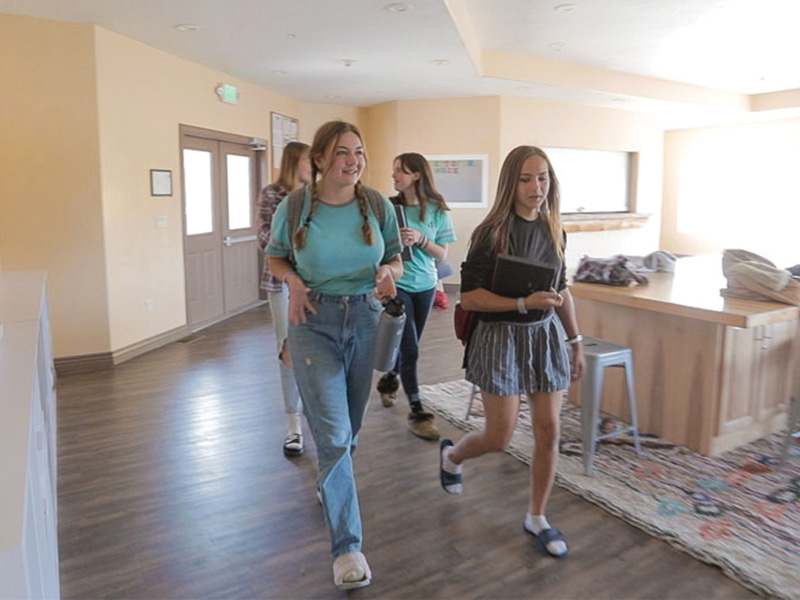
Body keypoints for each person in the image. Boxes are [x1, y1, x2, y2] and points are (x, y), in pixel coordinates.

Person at [266, 121, 402, 590]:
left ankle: (332, 480)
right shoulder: (296, 206)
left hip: (365, 317)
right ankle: (347, 548)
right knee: (334, 432)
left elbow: (398, 257)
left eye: (359, 152)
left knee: (350, 430)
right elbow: (277, 257)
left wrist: (387, 270)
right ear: (320, 160)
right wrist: (293, 281)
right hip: (312, 321)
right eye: (342, 152)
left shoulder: (377, 205)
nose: (354, 160)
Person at [438, 145, 586, 559]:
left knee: (549, 431)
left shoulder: (555, 229)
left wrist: (575, 341)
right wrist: (523, 304)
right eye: (526, 179)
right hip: (500, 336)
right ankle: (452, 456)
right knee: (500, 436)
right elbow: (469, 297)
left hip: (544, 336)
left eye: (542, 178)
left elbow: (562, 291)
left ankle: (536, 516)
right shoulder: (492, 232)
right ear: (510, 183)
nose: (536, 188)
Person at [376, 153, 455, 441]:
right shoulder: (388, 207)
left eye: (400, 171)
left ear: (417, 175)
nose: (394, 175)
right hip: (399, 286)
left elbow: (443, 254)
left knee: (409, 344)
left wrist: (421, 239)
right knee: (410, 349)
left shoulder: (437, 210)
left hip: (426, 285)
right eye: (394, 170)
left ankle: (389, 380)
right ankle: (418, 412)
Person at [257, 141, 312, 457]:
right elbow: (266, 239)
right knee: (288, 347)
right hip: (281, 284)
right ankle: (294, 426)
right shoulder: (273, 194)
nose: (313, 167)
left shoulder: (319, 195)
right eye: (308, 161)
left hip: (317, 285)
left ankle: (316, 414)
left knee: (315, 349)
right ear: (295, 162)